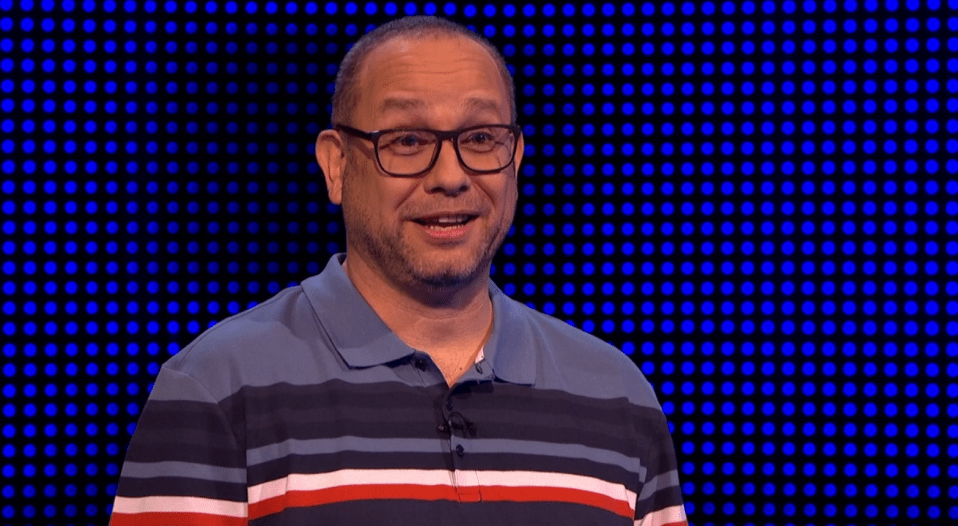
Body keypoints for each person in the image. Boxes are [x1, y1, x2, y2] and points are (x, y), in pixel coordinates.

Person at [110, 16, 688, 526]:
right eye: (408, 140)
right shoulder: (216, 387)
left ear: (515, 159)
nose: (451, 176)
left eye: (481, 138)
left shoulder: (618, 395)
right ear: (337, 166)